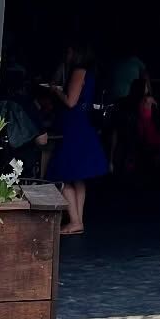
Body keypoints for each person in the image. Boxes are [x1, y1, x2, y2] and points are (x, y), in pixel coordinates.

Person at [48, 41, 108, 235]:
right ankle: (78, 220)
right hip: (83, 125)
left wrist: (56, 90)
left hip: (74, 127)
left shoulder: (78, 71)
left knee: (60, 174)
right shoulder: (90, 72)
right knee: (78, 177)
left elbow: (70, 101)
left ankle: (74, 220)